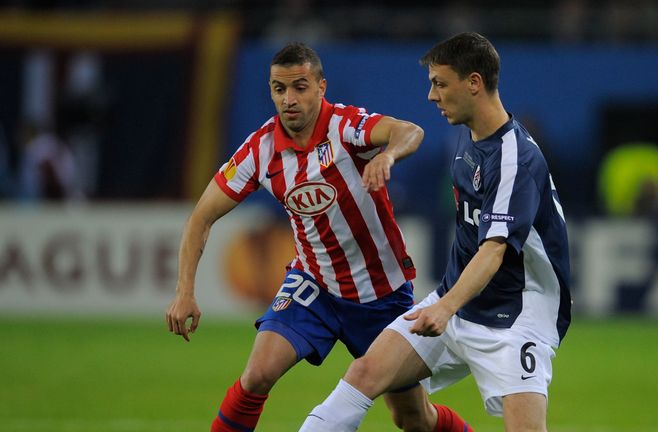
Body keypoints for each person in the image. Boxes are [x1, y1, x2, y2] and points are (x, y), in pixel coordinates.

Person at [164, 43, 472, 432]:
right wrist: (184, 292)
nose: (288, 99)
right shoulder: (260, 150)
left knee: (413, 418)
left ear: (321, 87)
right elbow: (200, 218)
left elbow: (410, 131)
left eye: (300, 87)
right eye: (279, 89)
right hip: (315, 286)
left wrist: (387, 155)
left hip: (381, 296)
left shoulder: (345, 126)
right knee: (257, 375)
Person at [300, 32, 573, 432]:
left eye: (440, 84)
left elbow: (493, 250)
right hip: (458, 298)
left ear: (474, 83)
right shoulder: (468, 137)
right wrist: (447, 303)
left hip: (517, 316)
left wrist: (444, 308)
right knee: (368, 378)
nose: (431, 96)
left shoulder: (515, 158)